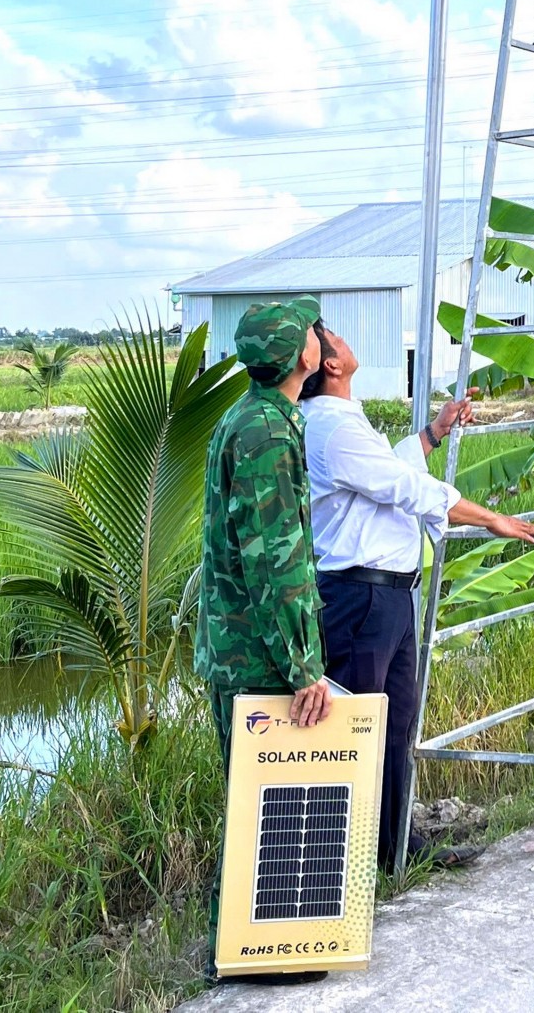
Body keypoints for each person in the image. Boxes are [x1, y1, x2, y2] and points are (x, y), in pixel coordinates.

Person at [299, 321, 534, 869]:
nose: (343, 339)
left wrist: (431, 434)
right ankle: (351, 861)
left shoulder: (340, 420)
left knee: (394, 726)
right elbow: (405, 488)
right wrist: (490, 518)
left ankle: (393, 849)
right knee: (357, 731)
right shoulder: (331, 428)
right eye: (336, 336)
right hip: (360, 597)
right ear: (331, 364)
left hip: (385, 597)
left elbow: (385, 473)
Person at [194, 296, 330, 988]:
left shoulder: (249, 417)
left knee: (259, 800)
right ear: (300, 352)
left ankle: (255, 946)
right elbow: (273, 559)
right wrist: (303, 667)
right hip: (259, 656)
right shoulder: (267, 433)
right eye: (313, 328)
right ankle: (254, 953)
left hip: (241, 650)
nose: (320, 336)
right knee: (265, 802)